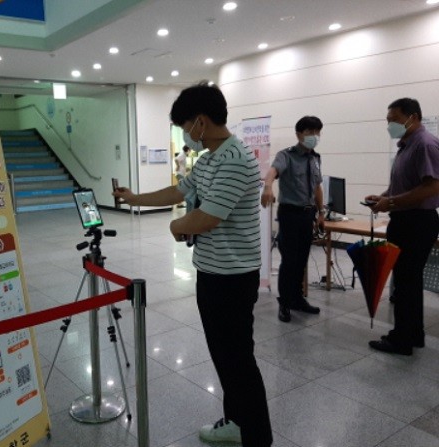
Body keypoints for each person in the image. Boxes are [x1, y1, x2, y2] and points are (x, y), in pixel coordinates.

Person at [114, 83, 272, 447]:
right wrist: (135, 198)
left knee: (238, 362)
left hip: (232, 279)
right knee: (225, 358)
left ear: (200, 121)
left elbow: (207, 218)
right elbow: (179, 190)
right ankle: (236, 423)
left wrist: (176, 226)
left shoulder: (235, 159)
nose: (186, 133)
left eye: (185, 125)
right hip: (212, 272)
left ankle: (257, 438)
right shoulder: (210, 159)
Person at [366, 98, 439, 355]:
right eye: (388, 121)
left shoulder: (425, 144)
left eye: (394, 120)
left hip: (416, 222)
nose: (390, 126)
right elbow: (405, 184)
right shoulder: (407, 145)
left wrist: (391, 202)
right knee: (409, 281)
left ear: (413, 117)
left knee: (406, 282)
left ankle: (402, 341)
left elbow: (433, 186)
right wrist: (383, 197)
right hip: (405, 220)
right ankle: (413, 334)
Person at [261, 116, 325, 323]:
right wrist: (268, 187)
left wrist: (321, 213)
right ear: (299, 134)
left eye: (317, 132)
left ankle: (297, 299)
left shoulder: (315, 158)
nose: (314, 136)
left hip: (308, 214)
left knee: (301, 259)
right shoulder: (286, 155)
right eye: (310, 132)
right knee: (289, 261)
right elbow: (272, 171)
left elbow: (317, 187)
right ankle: (285, 303)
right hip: (290, 214)